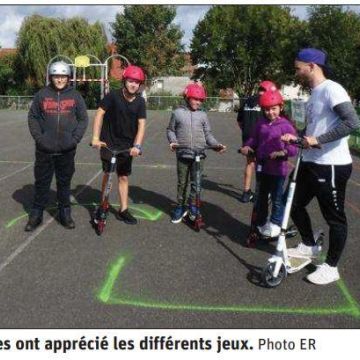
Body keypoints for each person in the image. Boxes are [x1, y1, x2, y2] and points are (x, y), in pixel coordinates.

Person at [282, 48, 360, 285]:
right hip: (310, 161)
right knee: (291, 203)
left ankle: (331, 267)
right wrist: (298, 137)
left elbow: (352, 122)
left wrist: (318, 140)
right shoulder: (315, 93)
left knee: (334, 219)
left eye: (298, 68)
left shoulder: (332, 89)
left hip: (331, 165)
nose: (296, 72)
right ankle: (308, 245)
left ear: (312, 66)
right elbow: (314, 129)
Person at [26, 61, 88, 231]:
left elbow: (83, 119)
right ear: (51, 77)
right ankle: (36, 213)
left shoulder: (75, 96)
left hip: (67, 149)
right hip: (44, 149)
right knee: (42, 182)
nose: (60, 79)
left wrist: (74, 139)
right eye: (56, 76)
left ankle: (65, 212)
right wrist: (40, 138)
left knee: (64, 182)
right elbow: (33, 117)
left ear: (68, 77)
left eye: (63, 76)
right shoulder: (42, 95)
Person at [91, 65, 146, 225]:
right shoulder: (112, 96)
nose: (133, 85)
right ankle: (103, 205)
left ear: (140, 85)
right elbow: (99, 114)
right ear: (124, 81)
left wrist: (137, 146)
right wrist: (95, 137)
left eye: (137, 82)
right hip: (108, 142)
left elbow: (141, 124)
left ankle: (123, 210)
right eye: (130, 81)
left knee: (123, 176)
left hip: (127, 146)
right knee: (108, 175)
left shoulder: (140, 102)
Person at [240, 89, 297, 238]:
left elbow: (293, 149)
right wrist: (248, 146)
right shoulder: (261, 124)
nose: (270, 112)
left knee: (277, 199)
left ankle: (275, 224)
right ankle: (260, 223)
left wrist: (282, 153)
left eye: (273, 109)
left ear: (280, 107)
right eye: (266, 109)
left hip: (278, 170)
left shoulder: (286, 125)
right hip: (262, 167)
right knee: (261, 198)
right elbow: (254, 139)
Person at [167, 83, 226, 223]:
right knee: (182, 183)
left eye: (200, 100)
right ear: (187, 97)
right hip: (183, 154)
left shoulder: (203, 115)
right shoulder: (177, 113)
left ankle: (193, 205)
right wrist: (173, 141)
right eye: (195, 99)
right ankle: (180, 206)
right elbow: (170, 130)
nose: (198, 102)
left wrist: (216, 145)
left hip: (199, 155)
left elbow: (208, 134)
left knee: (196, 183)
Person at [237, 80, 277, 202]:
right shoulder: (266, 102)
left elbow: (239, 121)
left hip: (247, 137)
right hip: (260, 137)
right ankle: (262, 193)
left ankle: (246, 192)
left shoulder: (247, 100)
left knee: (250, 163)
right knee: (264, 165)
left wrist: (246, 132)